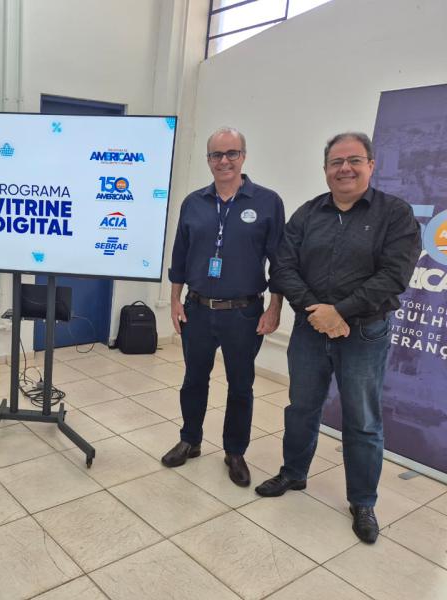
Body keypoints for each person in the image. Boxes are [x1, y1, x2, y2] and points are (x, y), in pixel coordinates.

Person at [256, 132, 421, 544]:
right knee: (301, 408)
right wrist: (317, 311)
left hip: (364, 333)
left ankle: (362, 501)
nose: (345, 168)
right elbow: (283, 267)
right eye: (336, 162)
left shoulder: (395, 214)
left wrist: (340, 312)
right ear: (326, 168)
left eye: (354, 160)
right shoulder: (308, 213)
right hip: (310, 330)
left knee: (362, 420)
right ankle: (293, 473)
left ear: (371, 165)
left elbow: (394, 276)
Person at [161, 127, 285, 487]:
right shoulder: (194, 202)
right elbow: (180, 256)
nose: (224, 161)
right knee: (193, 380)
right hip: (197, 309)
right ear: (208, 160)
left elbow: (280, 261)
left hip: (244, 313)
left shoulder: (267, 202)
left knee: (241, 385)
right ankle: (190, 440)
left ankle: (235, 451)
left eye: (231, 153)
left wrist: (275, 307)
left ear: (243, 156)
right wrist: (174, 300)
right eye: (216, 155)